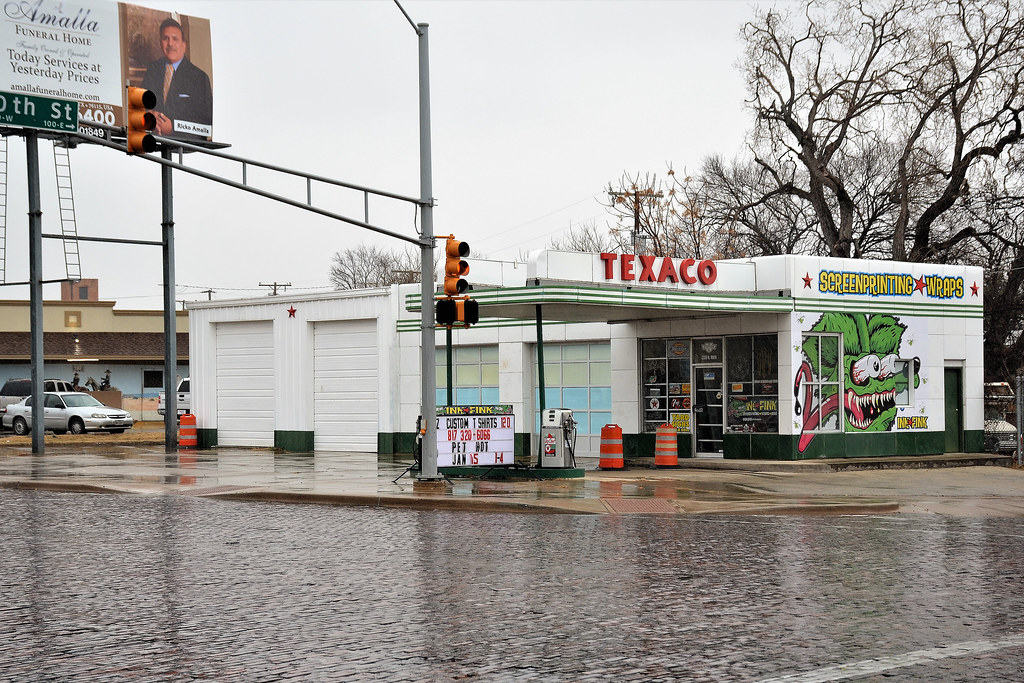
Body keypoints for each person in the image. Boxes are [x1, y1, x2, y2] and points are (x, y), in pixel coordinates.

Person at [140, 18, 212, 138]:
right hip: (153, 143)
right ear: (160, 43)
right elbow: (138, 106)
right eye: (165, 38)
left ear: (184, 45)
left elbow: (206, 123)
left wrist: (173, 127)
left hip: (186, 148)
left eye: (175, 39)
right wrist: (149, 115)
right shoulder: (153, 69)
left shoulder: (200, 77)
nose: (170, 44)